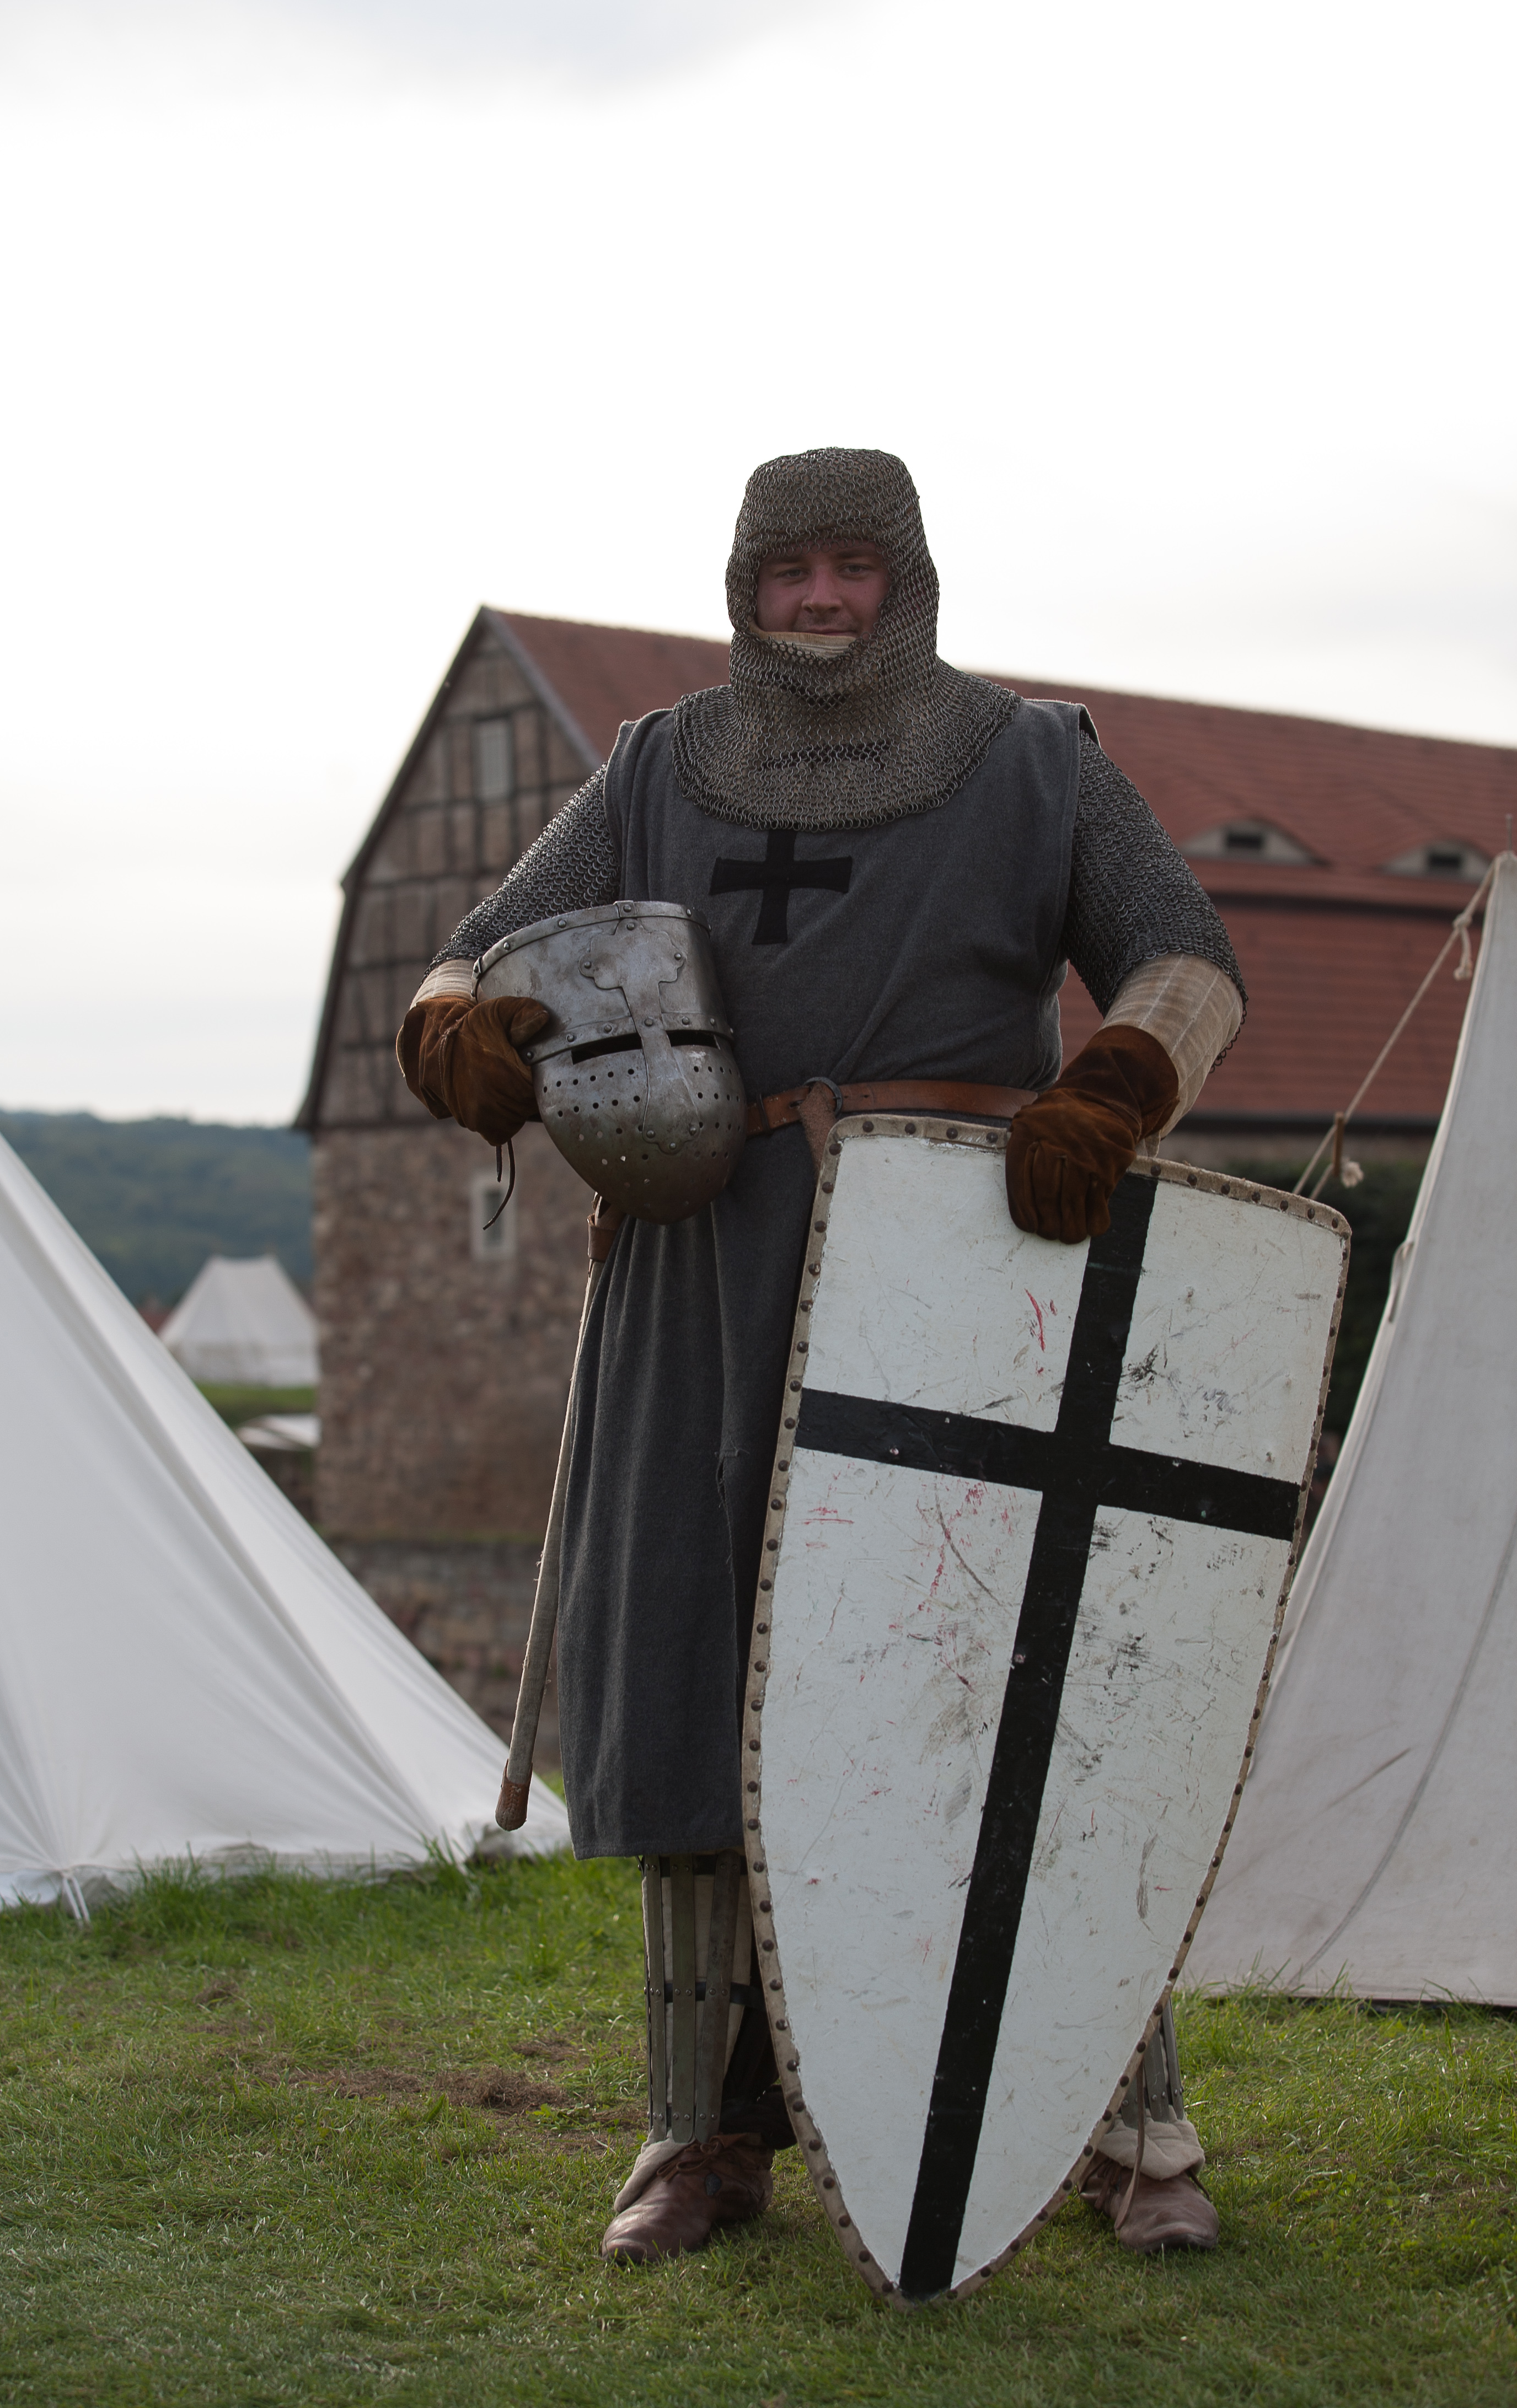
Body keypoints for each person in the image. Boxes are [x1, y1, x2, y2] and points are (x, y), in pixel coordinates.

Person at [398, 449, 1241, 2268]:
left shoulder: (1035, 765)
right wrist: (468, 1035)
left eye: (854, 567)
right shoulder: (657, 769)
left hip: (963, 1255)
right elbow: (472, 960)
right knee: (695, 1669)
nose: (821, 600)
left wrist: (1106, 1098)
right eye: (789, 571)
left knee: (1012, 1686)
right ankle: (702, 2130)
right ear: (746, 587)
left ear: (906, 580)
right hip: (703, 1263)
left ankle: (1127, 2122)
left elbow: (1185, 962)